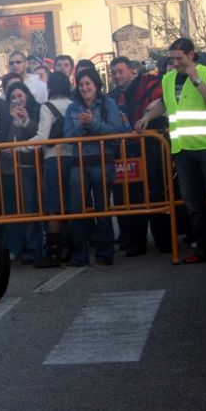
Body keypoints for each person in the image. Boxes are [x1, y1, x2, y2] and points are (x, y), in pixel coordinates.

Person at [135, 37, 206, 265]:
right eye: (172, 58)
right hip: (183, 149)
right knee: (193, 204)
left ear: (191, 55)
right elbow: (164, 103)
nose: (175, 63)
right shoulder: (167, 78)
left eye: (179, 58)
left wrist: (196, 81)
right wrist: (147, 117)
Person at [63, 68, 130, 268]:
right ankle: (80, 255)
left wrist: (92, 124)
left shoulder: (108, 103)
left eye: (88, 84)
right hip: (78, 163)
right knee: (77, 211)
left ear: (96, 85)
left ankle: (105, 254)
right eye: (81, 84)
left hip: (102, 161)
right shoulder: (72, 108)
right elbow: (67, 136)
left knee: (102, 208)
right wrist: (81, 127)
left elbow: (116, 132)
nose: (84, 88)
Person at [109, 56, 170, 257]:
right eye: (114, 73)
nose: (117, 76)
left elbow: (163, 103)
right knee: (133, 197)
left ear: (132, 70)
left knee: (156, 193)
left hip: (153, 146)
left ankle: (164, 239)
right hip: (130, 151)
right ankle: (137, 242)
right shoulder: (114, 96)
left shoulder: (151, 84)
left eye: (120, 71)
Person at [27, 71, 73, 267]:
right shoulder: (74, 105)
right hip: (74, 158)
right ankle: (74, 247)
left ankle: (54, 251)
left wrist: (19, 146)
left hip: (54, 158)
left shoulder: (47, 107)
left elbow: (42, 137)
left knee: (53, 205)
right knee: (72, 204)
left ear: (51, 87)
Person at [1, 82, 42, 264]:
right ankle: (26, 248)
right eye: (13, 98)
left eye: (20, 96)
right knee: (23, 210)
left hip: (37, 166)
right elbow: (10, 143)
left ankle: (36, 249)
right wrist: (15, 122)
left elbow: (39, 134)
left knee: (34, 209)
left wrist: (26, 121)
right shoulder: (8, 116)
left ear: (27, 95)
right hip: (17, 169)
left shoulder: (39, 109)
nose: (17, 100)